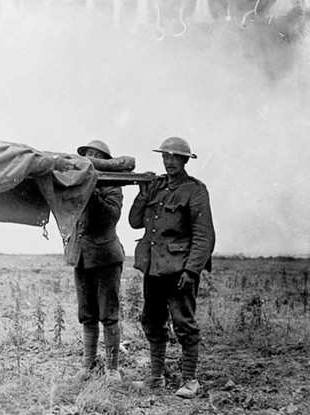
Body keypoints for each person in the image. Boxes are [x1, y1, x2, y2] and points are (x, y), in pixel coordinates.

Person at [128, 137, 215, 398]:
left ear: (185, 160)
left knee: (183, 323)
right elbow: (134, 222)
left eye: (175, 157)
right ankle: (156, 378)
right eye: (165, 157)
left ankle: (190, 380)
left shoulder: (195, 190)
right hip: (154, 267)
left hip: (179, 270)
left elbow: (204, 236)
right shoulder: (156, 187)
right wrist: (143, 195)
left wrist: (192, 271)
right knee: (152, 321)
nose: (169, 162)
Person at [65, 140, 125, 383]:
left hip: (105, 258)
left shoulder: (113, 186)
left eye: (95, 155)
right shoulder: (75, 185)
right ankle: (88, 366)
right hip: (81, 257)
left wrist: (92, 191)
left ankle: (112, 369)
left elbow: (110, 216)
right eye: (87, 154)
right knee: (87, 314)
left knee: (108, 315)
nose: (89, 158)